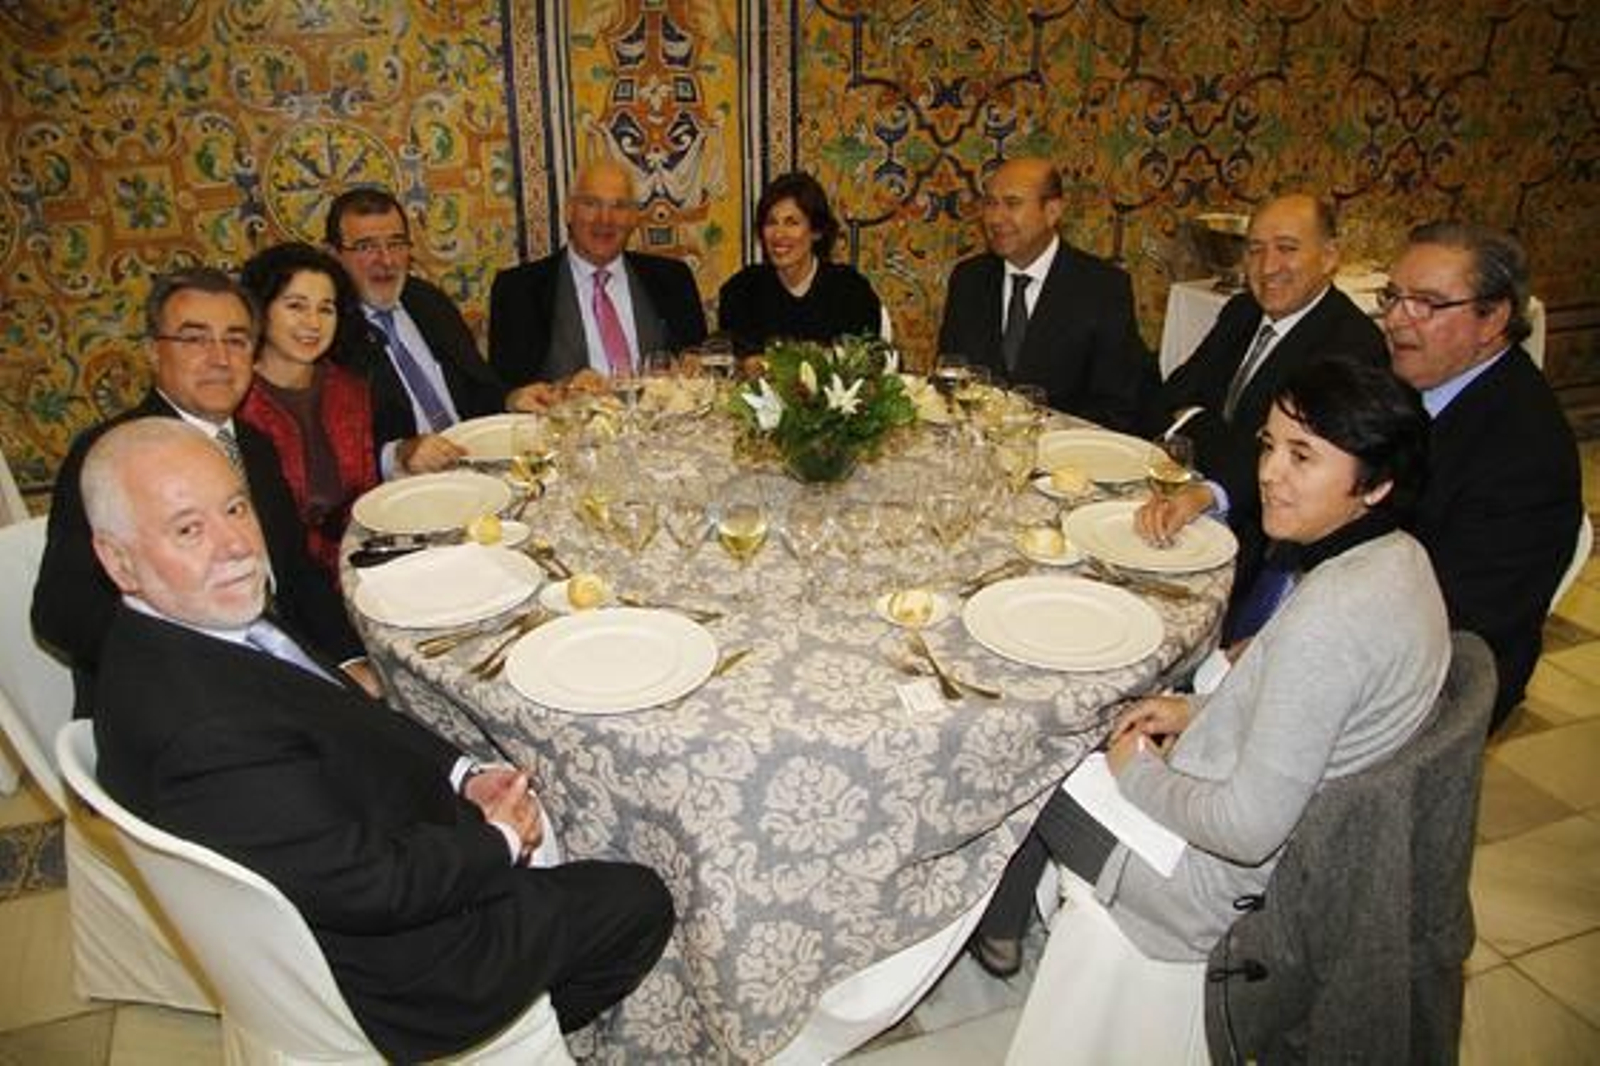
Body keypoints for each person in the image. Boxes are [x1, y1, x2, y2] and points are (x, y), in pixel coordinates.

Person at [83, 417, 675, 1062]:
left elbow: (343, 714)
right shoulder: (206, 733)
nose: (235, 545)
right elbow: (372, 887)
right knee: (638, 898)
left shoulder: (186, 627)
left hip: (358, 841)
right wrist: (496, 840)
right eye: (188, 529)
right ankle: (527, 1036)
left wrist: (460, 775)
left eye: (234, 507)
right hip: (415, 972)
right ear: (118, 560)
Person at [971, 358, 1447, 974]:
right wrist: (1196, 709)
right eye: (1270, 446)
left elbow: (1246, 831)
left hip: (1205, 891)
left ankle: (995, 929)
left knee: (1026, 773)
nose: (1271, 474)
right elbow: (1307, 709)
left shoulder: (1333, 620)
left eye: (1303, 457)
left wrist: (1134, 775)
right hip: (1288, 839)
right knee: (1100, 725)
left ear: (1376, 483)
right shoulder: (1399, 559)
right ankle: (1009, 923)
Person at [32, 268, 368, 713]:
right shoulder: (116, 457)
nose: (220, 358)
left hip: (278, 660)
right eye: (194, 339)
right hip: (183, 699)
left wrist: (350, 658)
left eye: (236, 339)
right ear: (154, 352)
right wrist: (216, 663)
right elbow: (63, 613)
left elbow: (293, 570)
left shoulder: (252, 444)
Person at [1137, 194, 1387, 604]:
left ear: (1329, 257)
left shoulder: (1352, 346)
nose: (1267, 267)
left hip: (1266, 545)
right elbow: (1169, 400)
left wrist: (1205, 437)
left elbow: (1299, 468)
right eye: (1255, 249)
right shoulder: (1241, 312)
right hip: (1186, 508)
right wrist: (1233, 441)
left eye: (1287, 249)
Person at [1380, 221, 1582, 730]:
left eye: (1426, 303)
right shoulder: (1413, 379)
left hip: (1440, 678)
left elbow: (1460, 616)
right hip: (1382, 616)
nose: (1397, 320)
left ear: (1493, 318)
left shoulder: (1523, 452)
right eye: (1393, 297)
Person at [325, 186, 538, 475]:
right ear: (333, 255)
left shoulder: (426, 300)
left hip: (474, 462)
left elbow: (474, 388)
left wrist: (510, 399)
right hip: (403, 491)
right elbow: (334, 453)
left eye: (396, 243)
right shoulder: (327, 334)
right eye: (366, 247)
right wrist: (398, 454)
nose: (386, 260)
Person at [936, 157, 1155, 430]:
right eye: (991, 203)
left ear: (1052, 211)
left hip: (1065, 459)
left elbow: (1116, 405)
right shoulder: (969, 279)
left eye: (1012, 203)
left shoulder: (1103, 288)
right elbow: (950, 379)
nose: (995, 218)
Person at [487, 158, 708, 399]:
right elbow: (505, 391)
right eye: (591, 203)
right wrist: (563, 388)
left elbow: (698, 361)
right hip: (566, 431)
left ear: (634, 218)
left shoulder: (674, 278)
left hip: (660, 431)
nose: (605, 219)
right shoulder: (517, 290)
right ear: (569, 211)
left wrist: (694, 366)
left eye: (619, 206)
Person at [237, 242, 379, 579]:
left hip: (359, 565)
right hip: (279, 581)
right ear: (261, 309)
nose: (313, 322)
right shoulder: (236, 403)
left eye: (326, 308)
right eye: (296, 306)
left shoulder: (348, 390)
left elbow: (367, 501)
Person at [717, 172, 882, 354]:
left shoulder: (851, 291)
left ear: (816, 231)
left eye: (792, 223)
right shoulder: (740, 291)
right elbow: (732, 362)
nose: (779, 235)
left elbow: (867, 362)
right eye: (771, 223)